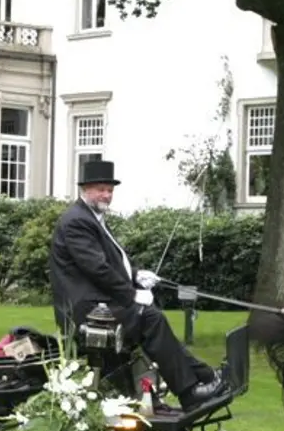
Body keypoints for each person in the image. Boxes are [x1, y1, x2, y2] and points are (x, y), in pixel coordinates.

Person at [48, 160, 227, 412]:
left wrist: (135, 275)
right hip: (87, 309)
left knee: (152, 317)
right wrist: (132, 294)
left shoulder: (90, 217)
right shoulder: (77, 221)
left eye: (110, 190)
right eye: (101, 189)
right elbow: (97, 269)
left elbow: (110, 262)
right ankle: (191, 390)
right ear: (85, 189)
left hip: (101, 302)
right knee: (151, 319)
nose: (107, 195)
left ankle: (203, 379)